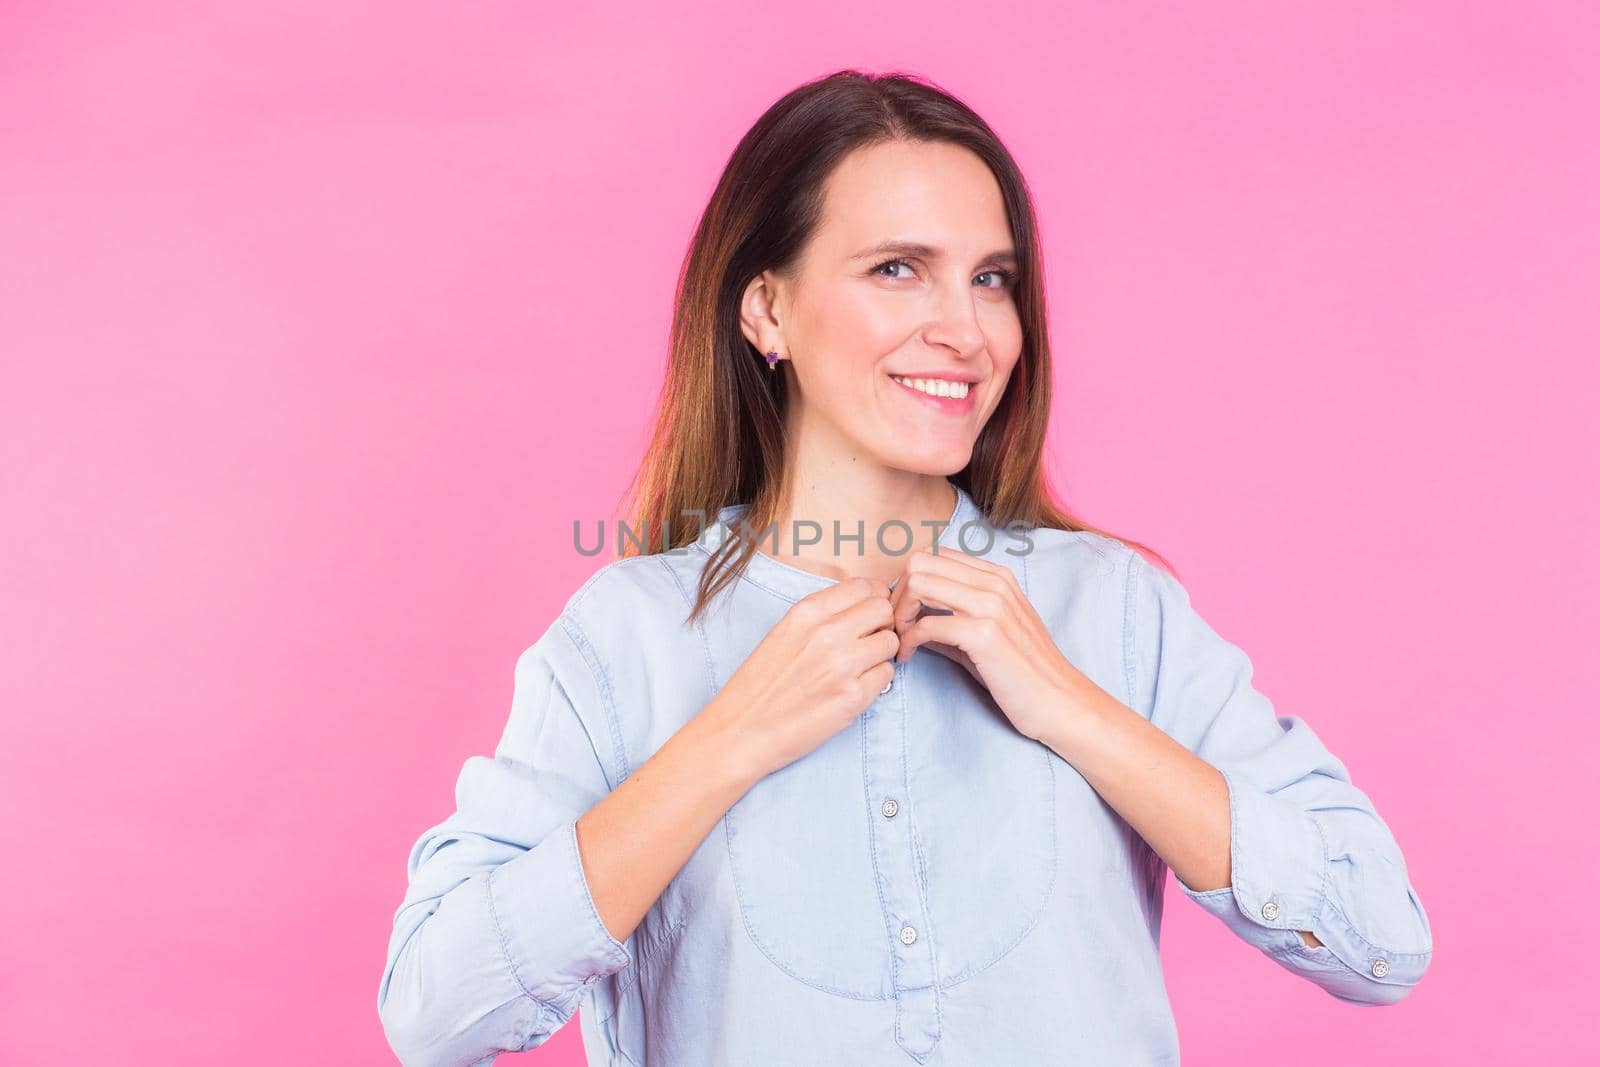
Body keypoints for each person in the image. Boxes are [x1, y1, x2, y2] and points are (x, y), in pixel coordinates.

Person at [377, 69, 1433, 1066]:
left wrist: (1069, 704)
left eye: (991, 279)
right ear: (766, 309)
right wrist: (726, 742)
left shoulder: (1113, 609)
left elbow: (1379, 938)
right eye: (896, 268)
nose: (964, 329)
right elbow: (434, 1010)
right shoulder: (628, 635)